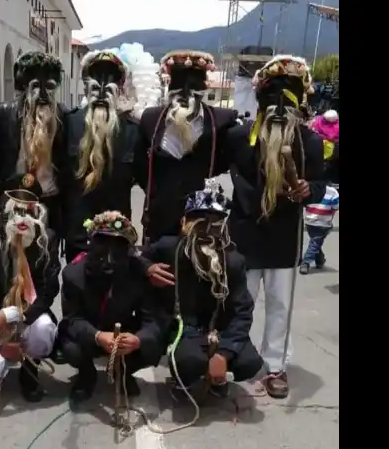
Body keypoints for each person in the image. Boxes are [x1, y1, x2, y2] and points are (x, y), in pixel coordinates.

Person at [224, 54, 326, 399]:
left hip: (284, 237)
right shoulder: (239, 138)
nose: (279, 108)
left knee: (280, 304)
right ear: (260, 101)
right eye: (272, 99)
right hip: (245, 235)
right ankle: (233, 355)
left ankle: (276, 365)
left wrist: (308, 189)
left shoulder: (309, 143)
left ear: (299, 104)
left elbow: (322, 183)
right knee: (241, 300)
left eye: (288, 100)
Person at [142, 180, 263, 399]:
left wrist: (224, 354)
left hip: (219, 329)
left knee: (250, 363)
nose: (207, 227)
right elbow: (136, 258)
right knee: (191, 361)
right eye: (199, 220)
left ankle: (215, 373)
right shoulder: (170, 248)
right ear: (183, 223)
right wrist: (147, 268)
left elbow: (243, 311)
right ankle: (185, 376)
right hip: (182, 328)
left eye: (214, 221)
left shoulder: (233, 260)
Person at [0, 173, 60, 403]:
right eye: (17, 209)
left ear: (38, 212)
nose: (22, 218)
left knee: (44, 328)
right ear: (5, 208)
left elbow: (48, 293)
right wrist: (1, 339)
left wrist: (11, 315)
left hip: (24, 315)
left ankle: (29, 368)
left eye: (28, 210)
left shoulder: (47, 240)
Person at [59, 211, 169, 401]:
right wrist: (98, 336)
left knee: (154, 344)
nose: (108, 258)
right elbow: (72, 319)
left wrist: (138, 339)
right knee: (70, 347)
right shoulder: (73, 274)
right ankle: (87, 374)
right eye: (102, 245)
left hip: (124, 331)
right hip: (91, 331)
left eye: (116, 249)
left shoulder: (138, 275)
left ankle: (125, 372)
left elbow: (151, 319)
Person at [135, 50, 239, 246]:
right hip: (160, 219)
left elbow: (229, 159)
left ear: (203, 89)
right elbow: (140, 165)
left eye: (192, 85)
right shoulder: (151, 119)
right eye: (179, 84)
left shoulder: (221, 122)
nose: (185, 93)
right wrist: (157, 191)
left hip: (203, 220)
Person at [62, 51, 142, 263]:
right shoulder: (69, 124)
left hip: (117, 236)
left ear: (119, 89)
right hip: (78, 238)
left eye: (109, 86)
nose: (101, 93)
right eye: (96, 85)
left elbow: (146, 181)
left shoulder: (133, 131)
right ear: (87, 87)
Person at [0, 51, 70, 238]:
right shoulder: (1, 115)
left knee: (48, 256)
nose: (42, 95)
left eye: (48, 87)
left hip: (50, 201)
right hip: (13, 198)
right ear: (24, 88)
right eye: (34, 87)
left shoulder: (64, 117)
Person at [299, 184, 339, 275]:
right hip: (323, 223)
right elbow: (336, 206)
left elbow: (304, 203)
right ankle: (305, 263)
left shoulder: (309, 188)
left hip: (309, 222)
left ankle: (320, 260)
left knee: (315, 242)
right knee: (315, 243)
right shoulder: (332, 192)